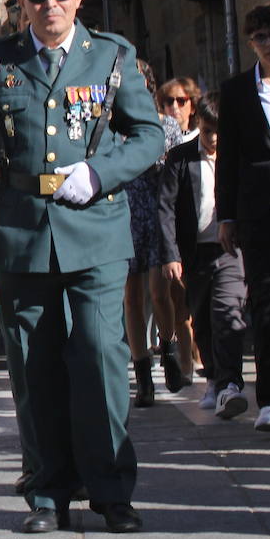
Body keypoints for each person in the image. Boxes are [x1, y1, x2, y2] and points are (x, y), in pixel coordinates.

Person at [0, 0, 163, 534]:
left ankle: (112, 490)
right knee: (32, 367)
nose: (49, 5)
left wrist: (99, 173)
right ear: (21, 4)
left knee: (100, 359)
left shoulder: (111, 57)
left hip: (95, 229)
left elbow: (149, 137)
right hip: (20, 230)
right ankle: (47, 493)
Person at [159, 94, 247, 419]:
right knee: (203, 318)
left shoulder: (238, 157)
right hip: (194, 252)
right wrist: (170, 254)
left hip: (230, 250)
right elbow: (165, 208)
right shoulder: (181, 158)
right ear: (198, 124)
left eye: (219, 133)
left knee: (227, 314)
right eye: (208, 131)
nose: (213, 140)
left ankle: (230, 386)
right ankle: (213, 378)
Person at [216, 4, 270, 431]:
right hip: (258, 213)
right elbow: (229, 158)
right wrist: (227, 216)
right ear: (250, 42)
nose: (268, 43)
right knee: (266, 303)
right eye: (260, 37)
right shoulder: (236, 91)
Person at [121, 61, 184, 406]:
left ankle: (169, 348)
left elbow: (174, 175)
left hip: (158, 215)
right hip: (126, 215)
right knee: (131, 298)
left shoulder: (167, 127)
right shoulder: (115, 129)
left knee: (160, 293)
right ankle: (143, 376)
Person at [158, 76, 203, 380]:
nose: (175, 107)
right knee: (178, 300)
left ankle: (202, 355)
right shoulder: (163, 141)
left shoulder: (206, 137)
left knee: (201, 301)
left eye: (181, 101)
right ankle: (187, 362)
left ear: (192, 104)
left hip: (204, 230)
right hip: (175, 232)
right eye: (168, 102)